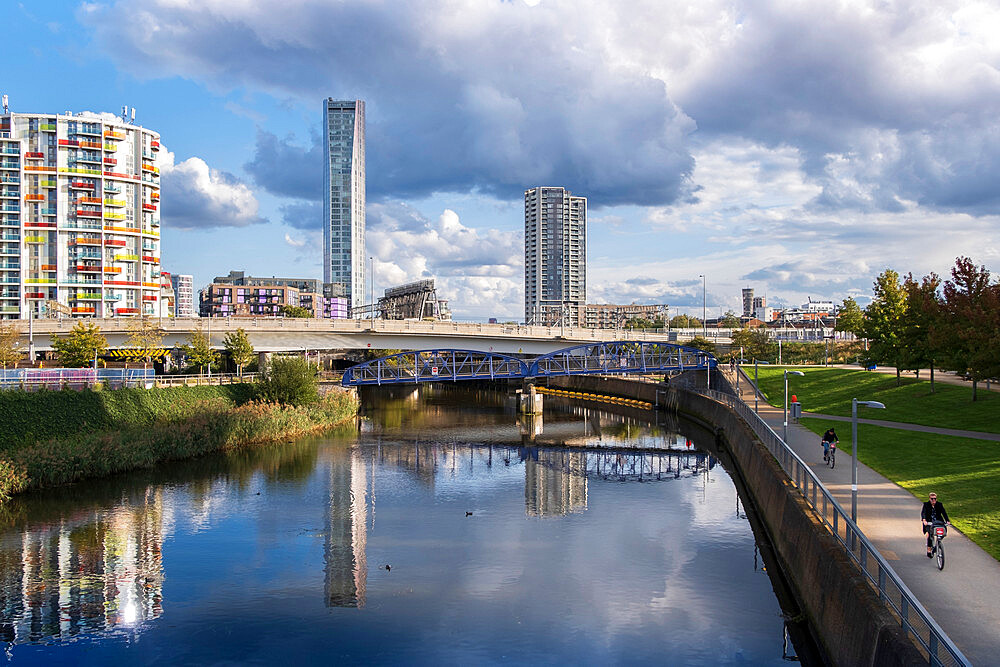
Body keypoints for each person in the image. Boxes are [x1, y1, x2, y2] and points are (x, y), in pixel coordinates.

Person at [921, 492, 950, 557]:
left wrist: (947, 521)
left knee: (942, 533)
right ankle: (929, 550)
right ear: (929, 499)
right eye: (932, 499)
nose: (933, 500)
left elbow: (944, 512)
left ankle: (937, 545)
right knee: (930, 535)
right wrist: (924, 520)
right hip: (929, 522)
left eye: (935, 499)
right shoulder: (926, 505)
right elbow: (923, 513)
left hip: (938, 522)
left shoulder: (939, 504)